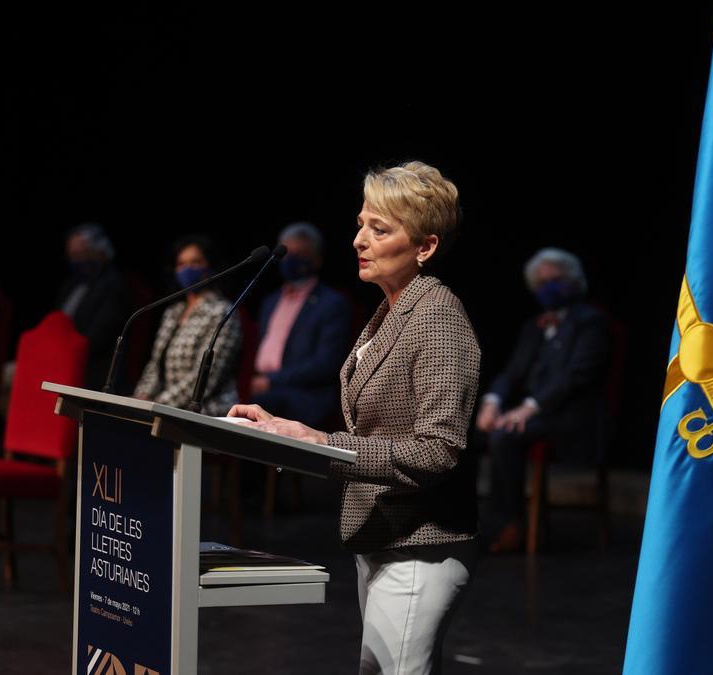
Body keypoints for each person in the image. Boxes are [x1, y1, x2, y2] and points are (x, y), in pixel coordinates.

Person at [230, 161, 480, 674]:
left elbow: (439, 448)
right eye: (362, 223)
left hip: (420, 545)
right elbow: (379, 428)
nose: (359, 240)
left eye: (380, 229)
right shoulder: (391, 311)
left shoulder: (437, 316)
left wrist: (322, 443)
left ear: (425, 247)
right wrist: (286, 431)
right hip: (383, 538)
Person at [474, 247, 611, 553]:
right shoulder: (535, 326)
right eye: (541, 282)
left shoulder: (591, 322)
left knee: (505, 437)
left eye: (556, 279)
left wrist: (527, 409)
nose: (549, 286)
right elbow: (512, 372)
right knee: (469, 435)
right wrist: (492, 402)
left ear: (574, 280)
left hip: (573, 418)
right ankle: (464, 522)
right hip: (535, 416)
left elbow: (574, 377)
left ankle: (510, 527)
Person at [250, 221, 350, 428]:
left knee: (257, 408)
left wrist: (273, 381)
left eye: (300, 253)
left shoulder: (331, 303)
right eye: (287, 252)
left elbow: (326, 364)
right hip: (262, 387)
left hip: (304, 394)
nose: (291, 259)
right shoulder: (271, 301)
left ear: (317, 259)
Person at [132, 235, 241, 416]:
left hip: (206, 412)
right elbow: (155, 364)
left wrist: (157, 404)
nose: (187, 269)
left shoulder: (222, 312)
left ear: (210, 267)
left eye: (195, 262)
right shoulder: (173, 312)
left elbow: (206, 377)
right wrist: (140, 397)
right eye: (181, 264)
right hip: (165, 410)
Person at [53, 223, 132, 390]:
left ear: (100, 252)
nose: (76, 261)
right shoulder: (71, 284)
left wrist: (66, 353)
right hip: (59, 356)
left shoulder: (114, 285)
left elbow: (97, 337)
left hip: (91, 367)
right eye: (72, 256)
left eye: (81, 254)